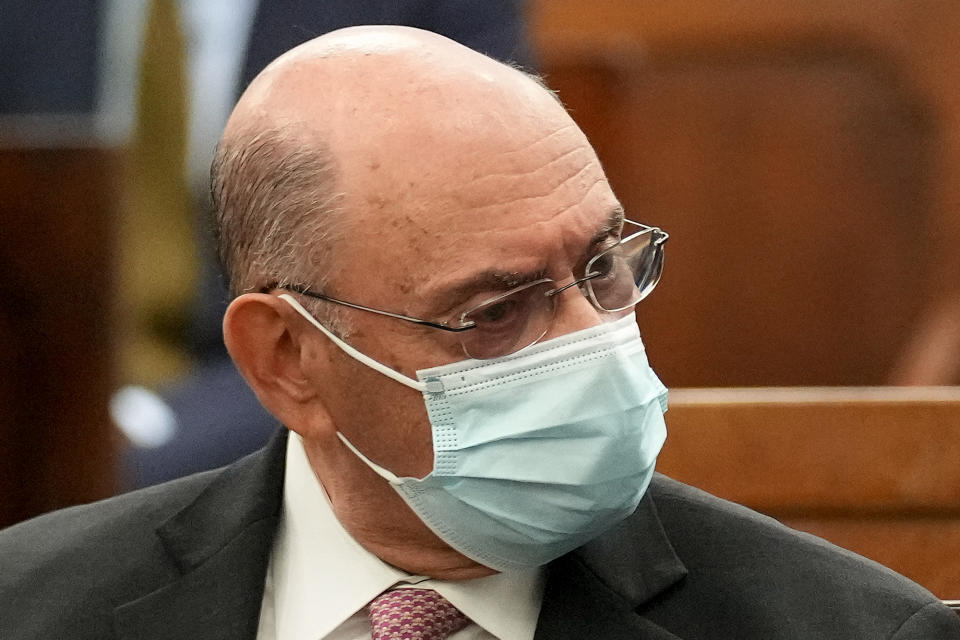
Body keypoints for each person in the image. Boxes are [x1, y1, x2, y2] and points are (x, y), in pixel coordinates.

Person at [1, 25, 958, 639]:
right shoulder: (32, 607)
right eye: (496, 313)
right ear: (288, 361)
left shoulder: (849, 629)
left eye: (603, 268)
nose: (592, 344)